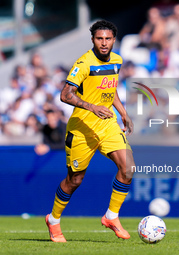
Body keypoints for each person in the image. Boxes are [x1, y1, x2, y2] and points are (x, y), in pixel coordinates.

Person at [45, 20, 135, 242]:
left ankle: (111, 216)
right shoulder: (84, 63)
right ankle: (53, 220)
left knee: (128, 167)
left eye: (107, 39)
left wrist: (122, 112)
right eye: (99, 39)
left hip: (107, 125)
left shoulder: (117, 60)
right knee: (75, 180)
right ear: (93, 40)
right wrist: (92, 107)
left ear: (114, 39)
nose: (103, 43)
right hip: (82, 129)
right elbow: (65, 95)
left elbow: (110, 88)